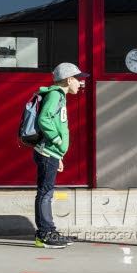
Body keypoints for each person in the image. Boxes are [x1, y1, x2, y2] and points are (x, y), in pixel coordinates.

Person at [33, 62, 88, 248]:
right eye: (78, 79)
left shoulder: (59, 96)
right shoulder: (55, 95)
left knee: (46, 192)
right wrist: (56, 141)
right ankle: (44, 234)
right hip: (47, 151)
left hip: (51, 153)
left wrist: (60, 156)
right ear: (69, 79)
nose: (80, 84)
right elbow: (44, 119)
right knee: (45, 193)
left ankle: (48, 231)